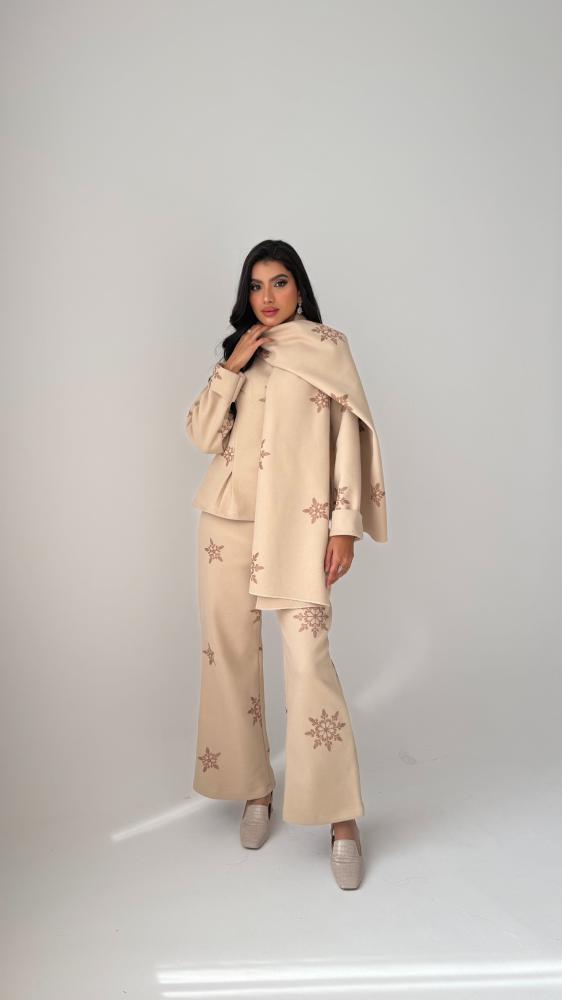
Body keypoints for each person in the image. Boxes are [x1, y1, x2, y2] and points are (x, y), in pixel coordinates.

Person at [185, 239, 387, 889]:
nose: (267, 297)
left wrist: (344, 527)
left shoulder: (328, 348)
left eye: (279, 282)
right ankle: (255, 788)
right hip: (228, 522)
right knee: (229, 654)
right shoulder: (244, 354)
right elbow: (200, 435)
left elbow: (348, 441)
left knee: (308, 662)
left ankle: (341, 819)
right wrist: (231, 366)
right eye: (255, 286)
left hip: (298, 526)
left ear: (300, 288)